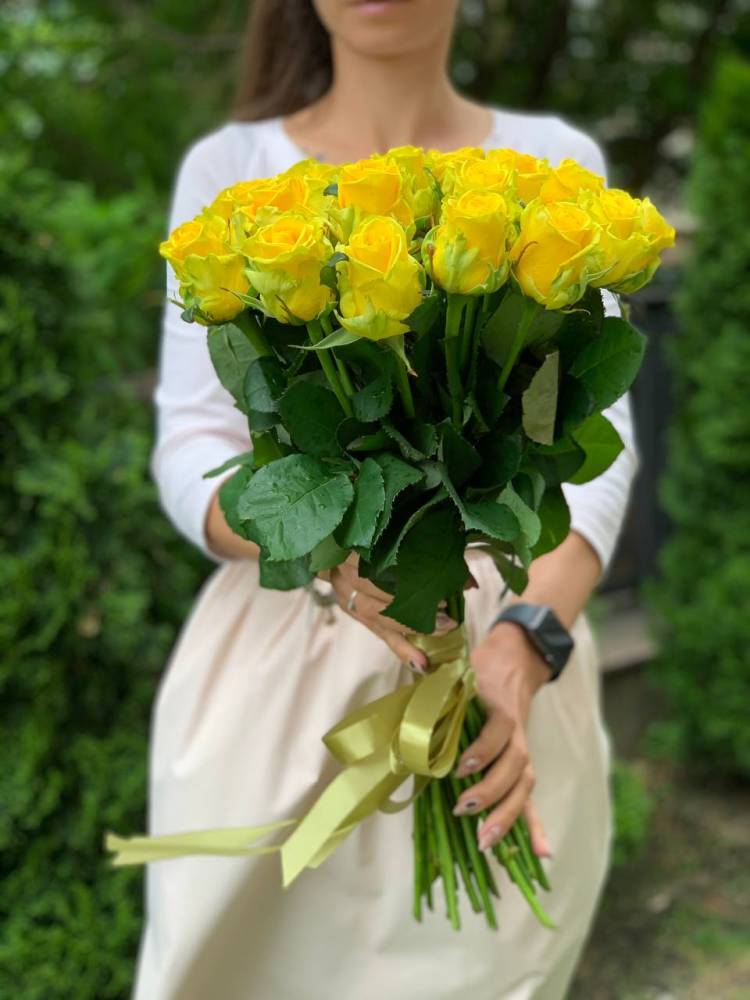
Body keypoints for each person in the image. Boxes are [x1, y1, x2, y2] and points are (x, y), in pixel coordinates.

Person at [136, 1, 639, 997]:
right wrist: (328, 551)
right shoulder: (230, 168)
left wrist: (522, 646)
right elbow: (188, 445)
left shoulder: (554, 162)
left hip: (511, 660)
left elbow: (597, 453)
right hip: (289, 658)